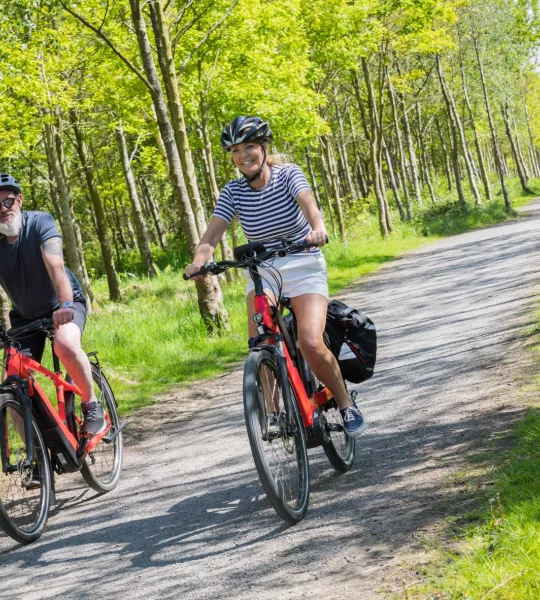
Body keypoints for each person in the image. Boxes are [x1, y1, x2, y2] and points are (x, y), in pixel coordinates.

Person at [185, 116, 366, 436]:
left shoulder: (288, 175)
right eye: (236, 150)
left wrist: (318, 228)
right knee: (261, 339)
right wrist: (199, 264)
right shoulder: (232, 192)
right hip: (263, 271)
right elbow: (212, 235)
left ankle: (344, 402)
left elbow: (309, 204)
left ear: (264, 147)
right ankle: (273, 413)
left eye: (250, 146)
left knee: (309, 342)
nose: (243, 155)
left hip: (303, 262)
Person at [0, 173, 104, 435]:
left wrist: (66, 304)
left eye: (8, 202)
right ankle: (36, 458)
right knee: (11, 384)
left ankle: (91, 403)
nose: (2, 210)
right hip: (25, 317)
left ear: (19, 200)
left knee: (66, 344)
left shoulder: (40, 222)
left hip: (65, 304)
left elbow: (55, 265)